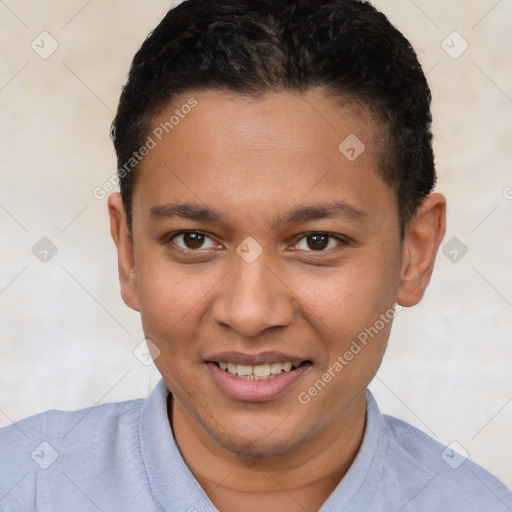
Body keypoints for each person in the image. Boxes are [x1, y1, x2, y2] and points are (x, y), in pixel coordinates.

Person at [1, 0, 511, 510]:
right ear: (129, 251)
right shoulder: (26, 485)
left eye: (317, 241)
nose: (250, 313)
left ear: (414, 253)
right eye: (193, 239)